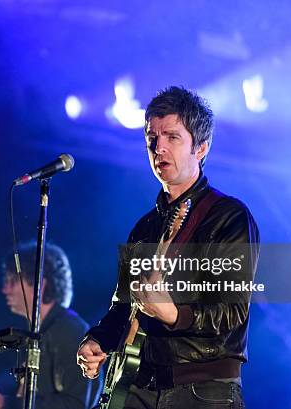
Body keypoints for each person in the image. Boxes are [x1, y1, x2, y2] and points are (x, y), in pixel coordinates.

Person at [76, 86, 260, 408]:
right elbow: (123, 306)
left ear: (200, 148)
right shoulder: (145, 227)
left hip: (202, 391)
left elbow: (233, 309)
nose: (158, 147)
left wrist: (176, 315)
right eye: (152, 137)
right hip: (141, 386)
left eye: (172, 137)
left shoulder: (228, 217)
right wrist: (98, 339)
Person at [0, 241, 101, 409]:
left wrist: (7, 404)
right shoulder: (37, 334)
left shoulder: (71, 330)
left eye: (13, 280)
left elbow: (77, 404)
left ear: (40, 284)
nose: (5, 289)